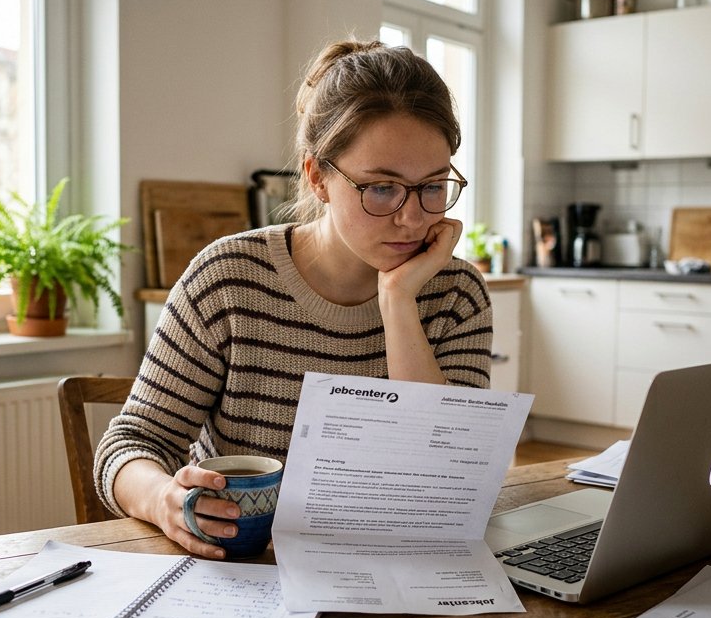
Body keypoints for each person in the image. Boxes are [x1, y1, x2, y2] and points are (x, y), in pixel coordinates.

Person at [95, 41, 492, 559]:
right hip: (244, 571)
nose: (412, 218)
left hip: (395, 568)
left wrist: (397, 300)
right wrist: (161, 500)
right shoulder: (229, 279)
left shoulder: (456, 294)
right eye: (381, 188)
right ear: (317, 177)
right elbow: (130, 444)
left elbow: (447, 477)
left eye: (433, 186)